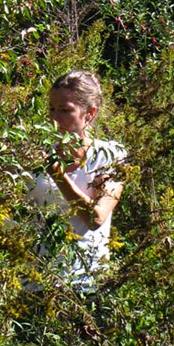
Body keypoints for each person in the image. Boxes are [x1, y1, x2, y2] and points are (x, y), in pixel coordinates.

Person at [25, 69, 127, 295]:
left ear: (89, 113)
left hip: (85, 284)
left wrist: (58, 176)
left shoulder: (109, 156)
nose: (54, 118)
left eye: (65, 110)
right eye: (51, 109)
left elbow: (96, 218)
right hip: (35, 283)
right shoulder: (38, 155)